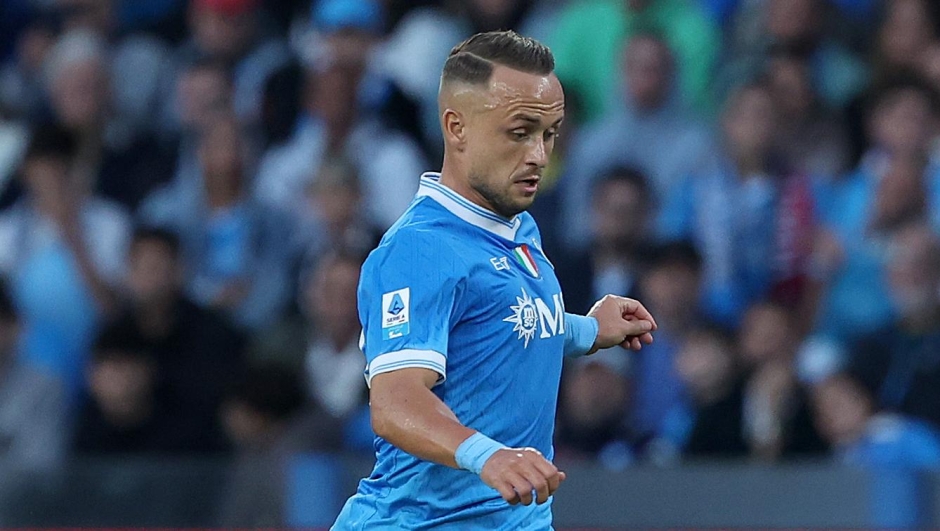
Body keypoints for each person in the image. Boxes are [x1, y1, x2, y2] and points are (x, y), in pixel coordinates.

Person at [332, 30, 657, 530]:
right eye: (520, 131)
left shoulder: (517, 224)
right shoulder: (420, 250)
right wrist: (488, 455)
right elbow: (395, 402)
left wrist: (588, 331)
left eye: (549, 134)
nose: (539, 155)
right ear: (456, 127)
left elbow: (499, 323)